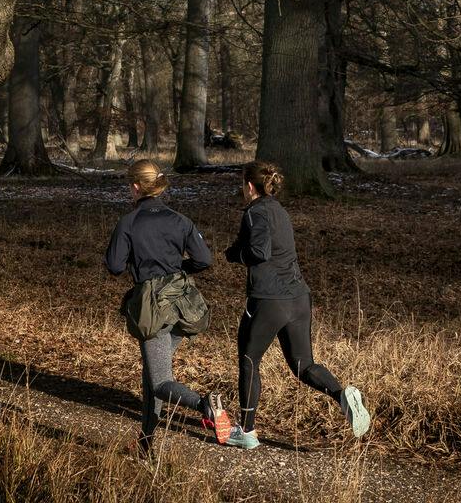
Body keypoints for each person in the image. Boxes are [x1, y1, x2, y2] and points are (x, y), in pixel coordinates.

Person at [223, 159, 371, 449]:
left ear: (249, 186)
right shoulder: (280, 211)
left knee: (249, 361)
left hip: (268, 301)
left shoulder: (254, 212)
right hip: (299, 299)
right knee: (304, 365)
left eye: (242, 184)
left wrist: (235, 256)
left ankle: (248, 433)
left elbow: (258, 252)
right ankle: (342, 395)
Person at [105, 159, 232, 451]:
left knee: (160, 380)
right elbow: (204, 260)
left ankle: (205, 404)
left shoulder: (129, 222)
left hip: (152, 311)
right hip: (185, 307)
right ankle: (146, 442)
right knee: (152, 373)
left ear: (136, 187)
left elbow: (113, 265)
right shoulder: (180, 219)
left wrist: (142, 264)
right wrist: (176, 266)